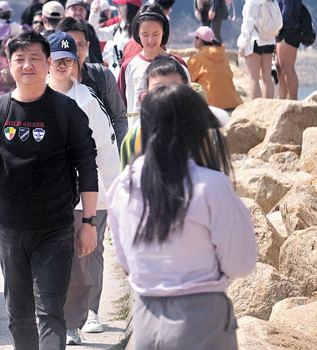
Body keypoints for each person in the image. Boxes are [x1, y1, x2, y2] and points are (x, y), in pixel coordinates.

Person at [0, 32, 99, 349]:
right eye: (20, 59)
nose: (28, 65)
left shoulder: (67, 111)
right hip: (9, 230)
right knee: (19, 315)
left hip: (55, 229)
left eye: (35, 58)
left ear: (48, 63)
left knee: (50, 311)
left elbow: (87, 166)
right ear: (9, 65)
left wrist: (89, 223)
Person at [107, 84, 256, 349]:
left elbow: (125, 259)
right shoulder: (212, 185)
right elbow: (241, 264)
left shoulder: (123, 185)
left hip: (146, 319)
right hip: (202, 319)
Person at [45, 33, 120, 346]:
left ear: (76, 63)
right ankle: (49, 320)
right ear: (46, 61)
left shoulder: (88, 100)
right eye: (56, 59)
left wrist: (115, 194)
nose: (62, 65)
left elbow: (106, 148)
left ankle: (74, 321)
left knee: (80, 260)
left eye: (68, 60)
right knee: (48, 261)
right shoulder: (32, 96)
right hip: (45, 197)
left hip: (83, 196)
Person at [56, 17, 127, 149]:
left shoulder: (102, 76)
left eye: (80, 45)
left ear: (88, 46)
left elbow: (119, 117)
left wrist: (117, 153)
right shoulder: (47, 82)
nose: (75, 51)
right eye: (69, 44)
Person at [119, 6, 190, 118]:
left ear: (164, 32)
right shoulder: (128, 66)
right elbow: (121, 107)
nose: (150, 40)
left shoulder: (178, 64)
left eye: (156, 34)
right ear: (137, 33)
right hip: (136, 133)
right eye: (145, 34)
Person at [119, 56, 189, 167]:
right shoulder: (134, 138)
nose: (167, 94)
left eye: (174, 87)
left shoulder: (198, 133)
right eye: (158, 89)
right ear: (145, 97)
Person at [237, 0, 279, 99]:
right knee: (266, 77)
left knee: (253, 78)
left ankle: (256, 110)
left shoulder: (251, 0)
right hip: (269, 41)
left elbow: (248, 24)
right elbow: (279, 22)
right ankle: (268, 108)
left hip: (254, 41)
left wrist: (242, 43)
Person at [187, 26, 243, 111]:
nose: (193, 40)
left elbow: (187, 79)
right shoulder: (223, 57)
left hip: (211, 106)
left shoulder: (197, 59)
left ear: (200, 40)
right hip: (233, 103)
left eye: (195, 38)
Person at [269, 0, 302, 100]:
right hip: (286, 30)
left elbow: (287, 7)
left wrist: (278, 25)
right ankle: (282, 99)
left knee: (288, 68)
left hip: (289, 30)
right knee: (279, 66)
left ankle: (293, 101)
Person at [90, 0, 141, 77]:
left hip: (130, 78)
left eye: (121, 5)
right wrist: (94, 14)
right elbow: (96, 33)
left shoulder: (140, 32)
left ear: (130, 8)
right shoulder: (117, 28)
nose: (118, 9)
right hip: (113, 78)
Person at [65, 0, 103, 64]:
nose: (78, 13)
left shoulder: (89, 29)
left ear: (85, 12)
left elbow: (96, 54)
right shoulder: (62, 29)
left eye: (81, 9)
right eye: (74, 9)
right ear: (66, 12)